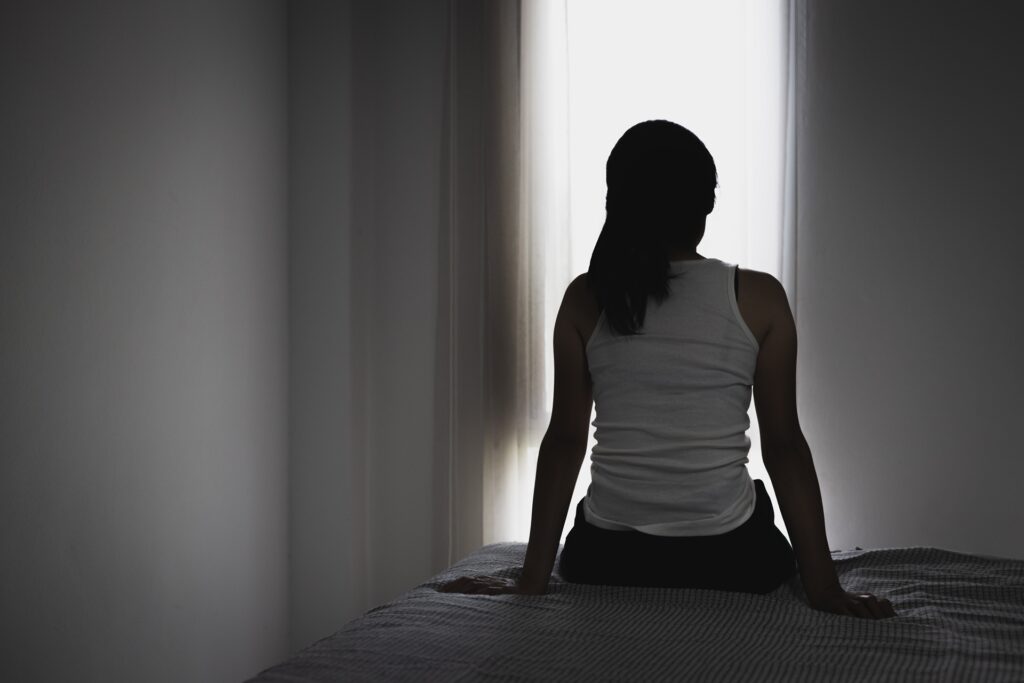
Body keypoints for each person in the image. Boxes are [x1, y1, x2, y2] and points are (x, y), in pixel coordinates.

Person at [439, 120, 896, 619]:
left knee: (599, 516)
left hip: (604, 557)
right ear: (707, 203)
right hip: (732, 558)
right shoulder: (759, 298)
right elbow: (784, 445)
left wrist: (531, 581)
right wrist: (825, 588)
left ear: (617, 201)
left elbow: (564, 442)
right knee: (755, 502)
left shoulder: (585, 298)